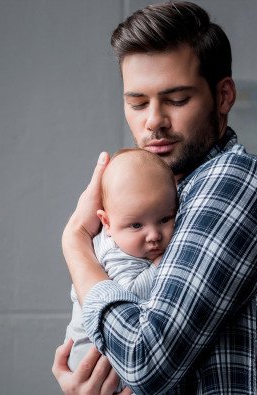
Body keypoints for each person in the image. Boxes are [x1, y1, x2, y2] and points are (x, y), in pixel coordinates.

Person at [52, 2, 257, 394]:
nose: (153, 120)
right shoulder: (160, 199)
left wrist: (74, 243)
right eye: (137, 103)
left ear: (223, 96)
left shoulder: (236, 180)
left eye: (176, 99)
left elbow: (145, 360)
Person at [64, 148, 178, 372]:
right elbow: (128, 297)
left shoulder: (127, 239)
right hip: (91, 361)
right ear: (106, 222)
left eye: (165, 219)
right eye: (136, 225)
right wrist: (160, 264)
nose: (154, 235)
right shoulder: (113, 252)